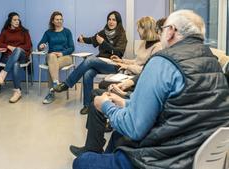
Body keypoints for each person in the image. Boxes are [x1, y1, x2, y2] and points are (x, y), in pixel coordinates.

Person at [71, 10, 229, 169]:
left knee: (81, 162)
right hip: (194, 157)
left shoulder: (163, 61)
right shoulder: (214, 64)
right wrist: (127, 103)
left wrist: (105, 105)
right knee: (118, 137)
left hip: (159, 160)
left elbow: (134, 128)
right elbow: (180, 110)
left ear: (172, 31)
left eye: (162, 29)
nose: (159, 33)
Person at [53, 11, 127, 115]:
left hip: (113, 65)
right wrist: (82, 40)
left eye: (114, 20)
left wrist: (103, 43)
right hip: (100, 62)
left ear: (118, 22)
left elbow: (119, 52)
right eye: (109, 19)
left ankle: (66, 84)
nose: (111, 22)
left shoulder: (122, 35)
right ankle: (88, 105)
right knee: (87, 74)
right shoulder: (104, 32)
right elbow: (93, 40)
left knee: (90, 60)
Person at [99, 16, 163, 89]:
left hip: (137, 79)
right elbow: (137, 61)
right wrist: (122, 60)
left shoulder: (157, 47)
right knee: (90, 71)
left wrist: (127, 66)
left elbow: (146, 70)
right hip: (131, 74)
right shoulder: (144, 43)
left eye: (139, 28)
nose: (137, 30)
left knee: (102, 83)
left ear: (146, 29)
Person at [37, 11, 75, 104]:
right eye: (57, 19)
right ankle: (56, 84)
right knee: (52, 57)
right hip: (51, 57)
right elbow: (39, 45)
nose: (59, 21)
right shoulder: (48, 33)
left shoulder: (67, 32)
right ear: (53, 21)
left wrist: (62, 53)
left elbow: (72, 48)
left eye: (61, 19)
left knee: (52, 65)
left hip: (65, 57)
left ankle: (51, 91)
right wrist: (41, 46)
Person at [0, 12, 32, 103]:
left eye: (18, 19)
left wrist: (16, 49)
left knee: (18, 50)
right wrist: (9, 46)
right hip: (8, 57)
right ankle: (17, 91)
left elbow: (28, 45)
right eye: (15, 20)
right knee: (15, 64)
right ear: (10, 21)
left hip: (22, 56)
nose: (17, 21)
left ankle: (3, 74)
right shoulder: (5, 31)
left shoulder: (24, 31)